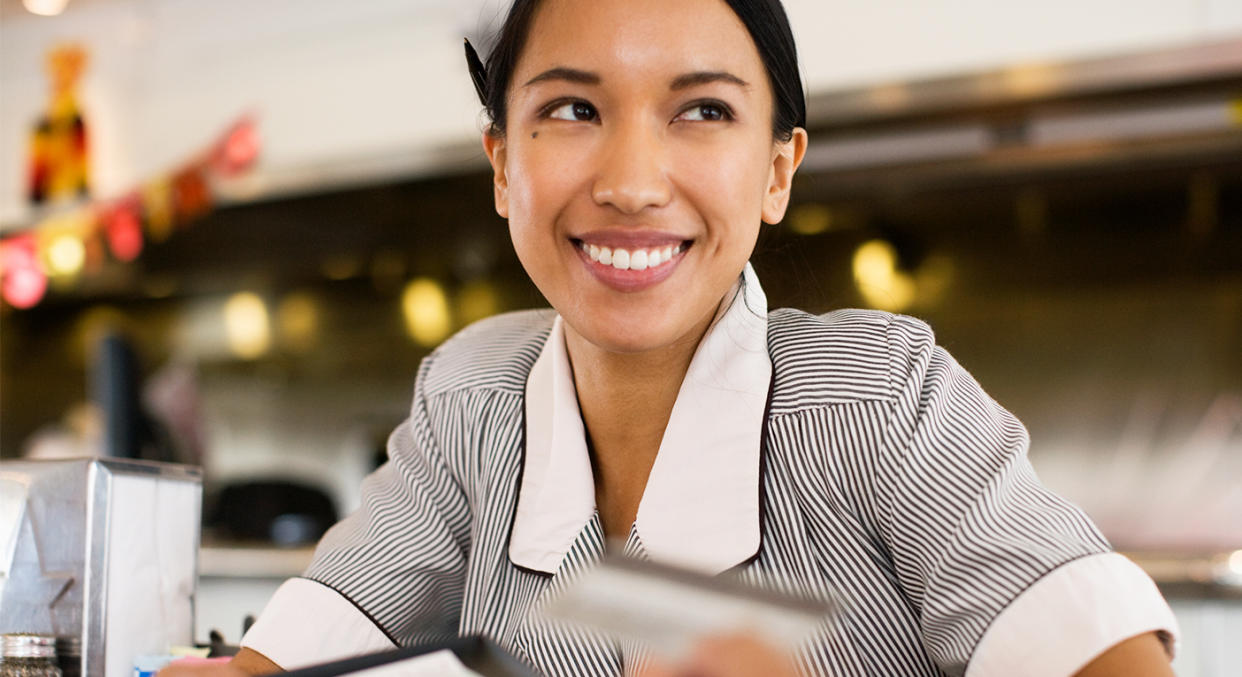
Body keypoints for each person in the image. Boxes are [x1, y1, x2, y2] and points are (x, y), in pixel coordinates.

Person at [164, 0, 1179, 675]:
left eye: (701, 109)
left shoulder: (880, 398)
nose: (633, 181)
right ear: (502, 164)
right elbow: (288, 659)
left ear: (778, 168)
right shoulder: (473, 397)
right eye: (571, 108)